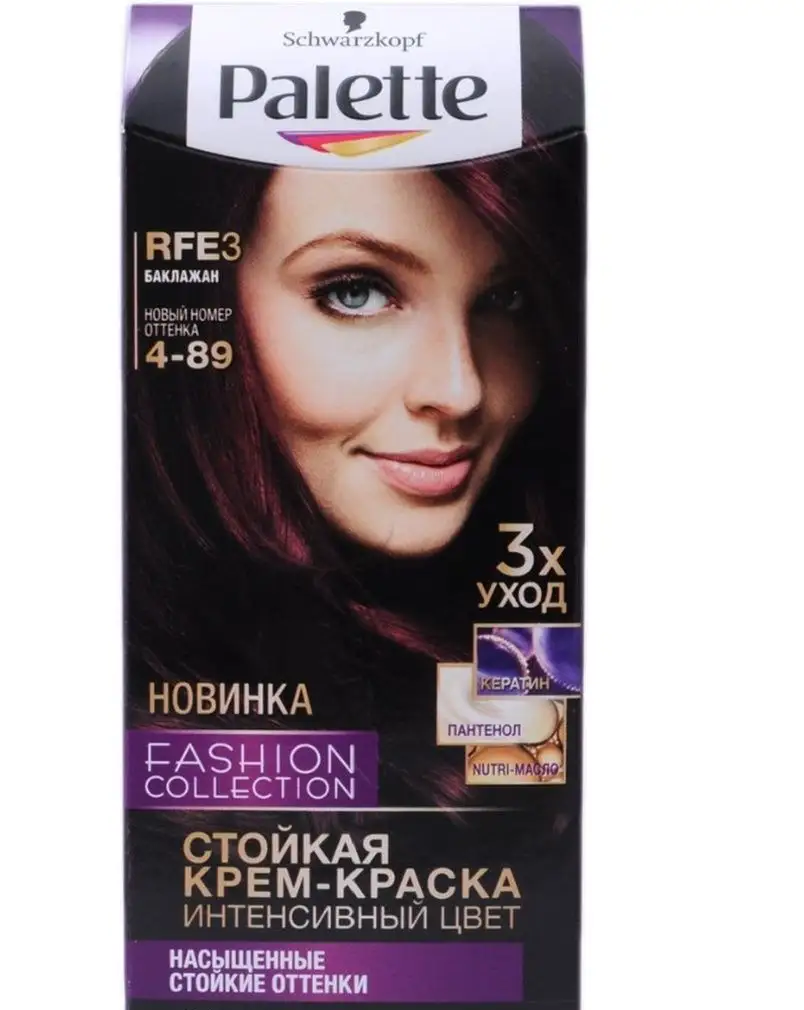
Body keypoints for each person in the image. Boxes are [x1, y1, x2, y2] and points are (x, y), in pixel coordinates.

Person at [125, 22, 584, 812]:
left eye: (507, 298)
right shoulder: (136, 661)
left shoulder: (529, 592)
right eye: (356, 290)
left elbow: (523, 817)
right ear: (211, 303)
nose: (461, 390)